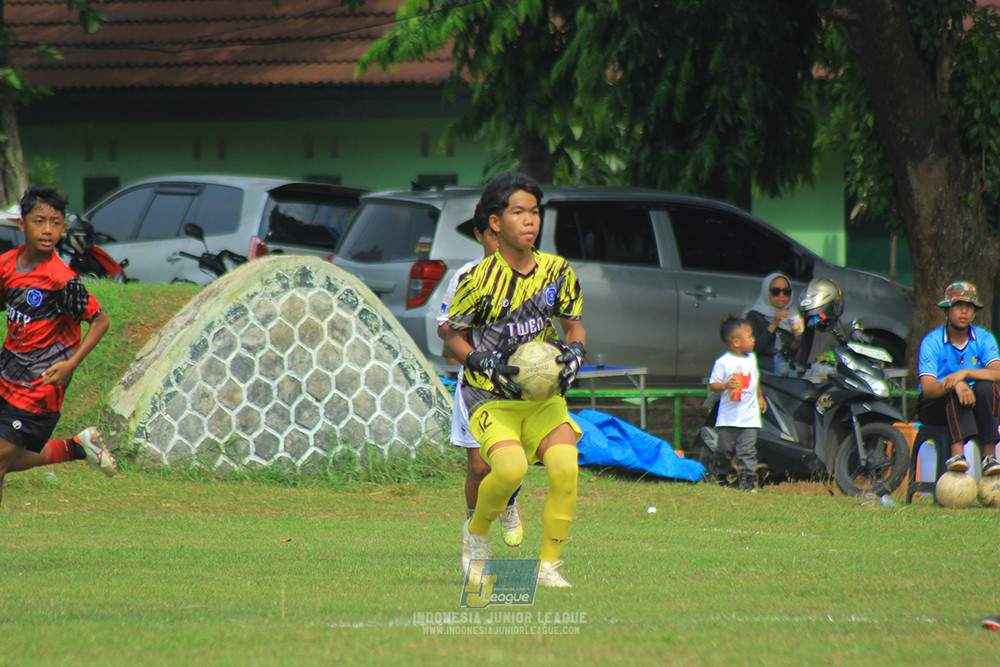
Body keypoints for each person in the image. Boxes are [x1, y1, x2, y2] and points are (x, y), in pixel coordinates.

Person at [444, 171, 586, 589]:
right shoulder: (475, 280)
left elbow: (574, 325)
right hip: (491, 397)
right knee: (508, 470)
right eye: (519, 212)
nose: (530, 221)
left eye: (535, 212)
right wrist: (480, 359)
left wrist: (575, 351)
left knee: (565, 468)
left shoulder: (557, 271)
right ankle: (476, 536)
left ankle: (548, 566)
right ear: (495, 222)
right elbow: (451, 336)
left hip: (543, 398)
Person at [0, 187, 115, 505]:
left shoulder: (62, 280)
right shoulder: (6, 265)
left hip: (40, 385)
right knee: (6, 459)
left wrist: (71, 364)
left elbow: (101, 321)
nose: (48, 230)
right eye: (39, 221)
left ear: (64, 227)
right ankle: (77, 447)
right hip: (7, 374)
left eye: (56, 222)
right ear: (22, 224)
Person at [435, 202, 524, 548]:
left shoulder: (530, 275)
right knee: (478, 466)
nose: (500, 244)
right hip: (475, 383)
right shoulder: (466, 277)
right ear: (479, 235)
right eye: (492, 236)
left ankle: (509, 503)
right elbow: (444, 328)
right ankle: (475, 531)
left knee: (508, 461)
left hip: (515, 384)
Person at [916, 281, 1000, 476]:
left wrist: (965, 374)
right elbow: (928, 388)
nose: (964, 312)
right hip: (935, 406)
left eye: (969, 307)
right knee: (952, 391)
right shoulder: (932, 341)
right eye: (958, 306)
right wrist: (955, 383)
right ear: (947, 311)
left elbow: (997, 373)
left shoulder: (984, 338)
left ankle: (989, 456)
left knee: (986, 387)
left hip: (973, 404)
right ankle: (957, 455)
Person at [708, 315, 766, 491]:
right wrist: (726, 385)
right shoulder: (723, 362)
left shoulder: (752, 358)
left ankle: (747, 481)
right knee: (724, 450)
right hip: (728, 418)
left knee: (748, 451)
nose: (753, 339)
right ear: (736, 342)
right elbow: (713, 385)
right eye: (750, 336)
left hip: (749, 417)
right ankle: (719, 476)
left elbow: (755, 379)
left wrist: (760, 397)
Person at [743, 272, 806, 374]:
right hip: (762, 370)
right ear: (766, 292)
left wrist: (797, 340)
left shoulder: (792, 314)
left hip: (786, 369)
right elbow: (753, 349)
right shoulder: (754, 315)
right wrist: (774, 323)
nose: (781, 295)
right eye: (775, 291)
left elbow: (790, 350)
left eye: (786, 291)